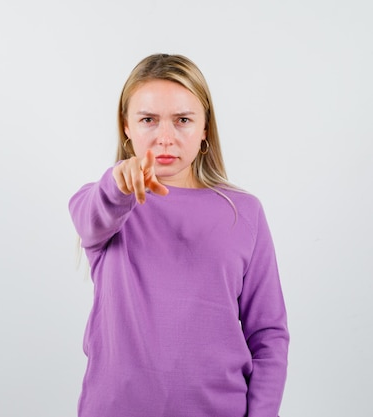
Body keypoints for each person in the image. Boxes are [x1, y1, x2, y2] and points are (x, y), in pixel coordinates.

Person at [68, 53, 289, 417]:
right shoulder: (103, 204)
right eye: (148, 120)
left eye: (183, 120)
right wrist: (117, 183)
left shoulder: (244, 212)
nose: (165, 138)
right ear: (126, 126)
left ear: (205, 128)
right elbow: (91, 217)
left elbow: (268, 336)